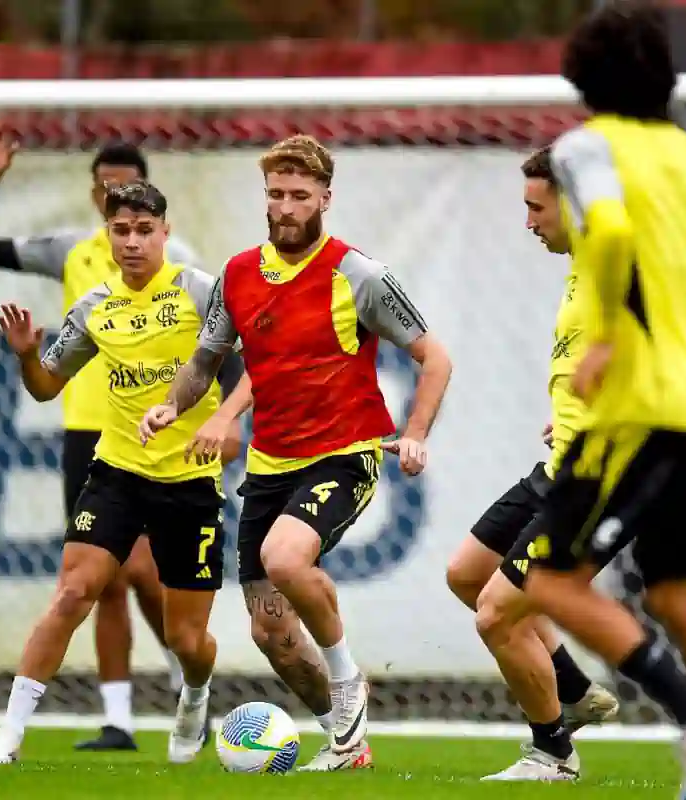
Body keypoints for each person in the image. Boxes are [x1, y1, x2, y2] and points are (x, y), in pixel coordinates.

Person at [511, 4, 686, 798]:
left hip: (629, 407)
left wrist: (610, 340)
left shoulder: (585, 147)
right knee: (675, 594)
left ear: (585, 82)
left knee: (550, 583)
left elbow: (607, 226)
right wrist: (683, 332)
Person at [139, 134, 454, 772]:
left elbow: (435, 357)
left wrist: (416, 431)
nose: (285, 207)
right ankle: (347, 742)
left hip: (345, 453)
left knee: (285, 557)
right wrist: (175, 404)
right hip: (268, 465)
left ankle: (348, 683)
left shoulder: (357, 274)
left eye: (299, 196)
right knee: (273, 636)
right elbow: (207, 358)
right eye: (276, 194)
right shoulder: (237, 274)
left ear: (325, 199)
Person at [467, 147, 686, 782]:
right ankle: (578, 692)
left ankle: (555, 754)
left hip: (594, 480)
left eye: (536, 208)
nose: (529, 222)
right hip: (564, 461)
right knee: (467, 574)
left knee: (496, 613)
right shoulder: (585, 267)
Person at [0, 137, 221, 750]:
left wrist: (228, 420)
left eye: (143, 229)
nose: (131, 241)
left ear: (165, 232)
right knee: (76, 589)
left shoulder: (202, 289)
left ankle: (195, 694)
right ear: (106, 229)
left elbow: (242, 364)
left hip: (187, 477)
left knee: (187, 639)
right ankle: (9, 737)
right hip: (115, 466)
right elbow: (48, 385)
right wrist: (28, 356)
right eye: (120, 229)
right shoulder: (92, 305)